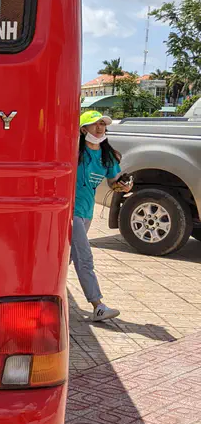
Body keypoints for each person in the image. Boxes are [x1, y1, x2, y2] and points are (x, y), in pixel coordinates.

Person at [71, 110, 132, 321]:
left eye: (103, 125)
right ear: (83, 129)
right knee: (84, 258)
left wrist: (124, 185)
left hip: (87, 213)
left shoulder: (107, 156)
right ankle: (98, 305)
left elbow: (115, 182)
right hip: (70, 213)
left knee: (67, 259)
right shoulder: (73, 151)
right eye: (95, 124)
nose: (100, 128)